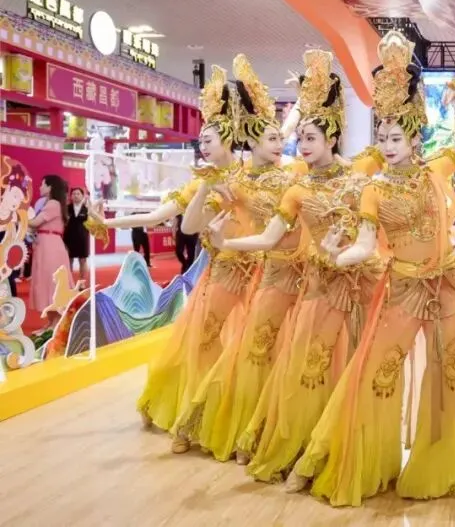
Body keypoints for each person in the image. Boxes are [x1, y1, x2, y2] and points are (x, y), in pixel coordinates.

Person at [285, 30, 455, 505]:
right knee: (376, 370)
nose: (388, 145)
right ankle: (327, 456)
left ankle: (440, 463)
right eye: (382, 137)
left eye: (396, 137)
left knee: (448, 375)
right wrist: (336, 254)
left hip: (450, 286)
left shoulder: (436, 169)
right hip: (404, 288)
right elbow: (365, 244)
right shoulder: (371, 190)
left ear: (414, 136)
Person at [210, 49, 386, 483]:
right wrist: (225, 241)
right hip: (319, 285)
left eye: (310, 138)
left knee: (356, 367)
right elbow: (268, 238)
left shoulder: (359, 175)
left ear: (332, 138)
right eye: (300, 138)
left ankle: (345, 452)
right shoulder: (297, 188)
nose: (302, 146)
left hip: (362, 285)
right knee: (308, 368)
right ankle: (301, 449)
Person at [172, 54, 313, 462]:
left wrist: (306, 98)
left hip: (303, 274)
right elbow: (189, 226)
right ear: (251, 141)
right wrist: (205, 188)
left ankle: (277, 430)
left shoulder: (294, 174)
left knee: (288, 355)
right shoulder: (236, 182)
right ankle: (223, 425)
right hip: (262, 274)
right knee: (251, 352)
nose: (281, 143)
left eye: (280, 138)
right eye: (272, 138)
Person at [86, 65, 240, 439]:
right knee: (199, 345)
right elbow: (156, 216)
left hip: (259, 274)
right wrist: (109, 223)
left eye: (209, 140)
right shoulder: (200, 183)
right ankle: (194, 415)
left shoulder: (252, 176)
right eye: (200, 142)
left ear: (228, 138)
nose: (203, 147)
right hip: (218, 273)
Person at [27, 175, 72, 326]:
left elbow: (35, 222)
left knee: (50, 282)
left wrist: (18, 214)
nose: (40, 187)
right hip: (46, 245)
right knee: (46, 281)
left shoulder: (53, 203)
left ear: (50, 187)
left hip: (50, 247)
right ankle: (51, 321)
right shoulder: (52, 203)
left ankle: (56, 322)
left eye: (42, 184)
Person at [64, 186, 90, 285]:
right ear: (70, 196)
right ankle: (69, 283)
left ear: (82, 196)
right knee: (68, 260)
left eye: (78, 194)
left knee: (82, 260)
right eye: (73, 194)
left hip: (82, 238)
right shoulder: (66, 208)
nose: (76, 196)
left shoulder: (87, 209)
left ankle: (82, 283)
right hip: (68, 238)